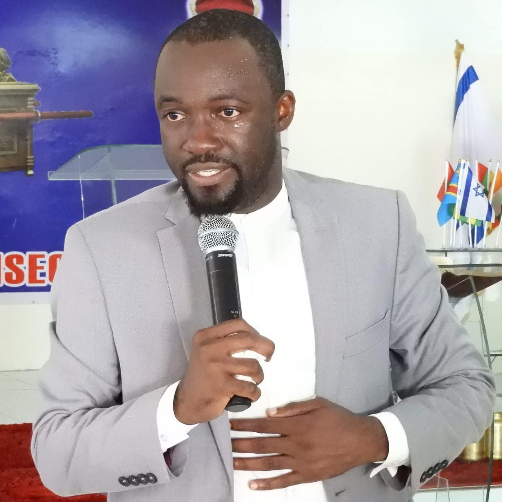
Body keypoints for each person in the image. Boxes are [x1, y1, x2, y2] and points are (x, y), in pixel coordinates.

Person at [31, 9, 495, 502]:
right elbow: (57, 454)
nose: (197, 141)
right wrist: (177, 408)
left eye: (227, 112)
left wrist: (372, 438)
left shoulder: (380, 224)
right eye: (175, 115)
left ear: (281, 110)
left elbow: (465, 386)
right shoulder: (101, 250)